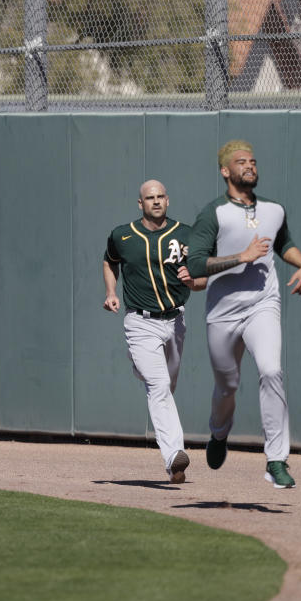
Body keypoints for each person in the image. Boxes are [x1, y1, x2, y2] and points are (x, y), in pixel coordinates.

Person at [188, 140, 301, 489]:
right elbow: (195, 263)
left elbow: (283, 243)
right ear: (225, 171)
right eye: (241, 162)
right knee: (227, 386)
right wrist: (240, 257)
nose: (250, 166)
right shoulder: (213, 213)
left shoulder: (274, 209)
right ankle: (218, 433)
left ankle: (276, 459)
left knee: (272, 370)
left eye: (253, 161)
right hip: (223, 313)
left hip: (263, 304)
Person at [103, 180, 206, 483]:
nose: (156, 201)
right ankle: (174, 456)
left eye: (161, 196)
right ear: (140, 204)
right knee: (159, 386)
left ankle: (141, 368)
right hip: (140, 321)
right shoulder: (122, 235)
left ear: (168, 200)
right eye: (150, 197)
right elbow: (110, 262)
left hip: (175, 321)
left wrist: (193, 282)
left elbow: (202, 281)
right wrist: (111, 291)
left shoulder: (186, 235)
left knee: (166, 385)